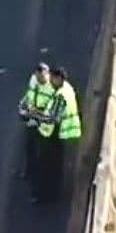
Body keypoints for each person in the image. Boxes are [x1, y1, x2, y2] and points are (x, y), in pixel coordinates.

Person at [31, 65, 80, 203]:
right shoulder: (67, 89)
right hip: (63, 132)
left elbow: (52, 118)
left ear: (58, 78)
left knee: (47, 165)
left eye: (52, 78)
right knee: (55, 165)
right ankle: (53, 193)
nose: (50, 80)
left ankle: (46, 196)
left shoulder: (61, 95)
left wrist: (35, 114)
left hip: (54, 134)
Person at [16, 61, 58, 181]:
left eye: (43, 75)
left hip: (46, 125)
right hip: (34, 123)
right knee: (30, 148)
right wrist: (24, 110)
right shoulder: (34, 84)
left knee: (46, 153)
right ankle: (29, 171)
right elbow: (26, 100)